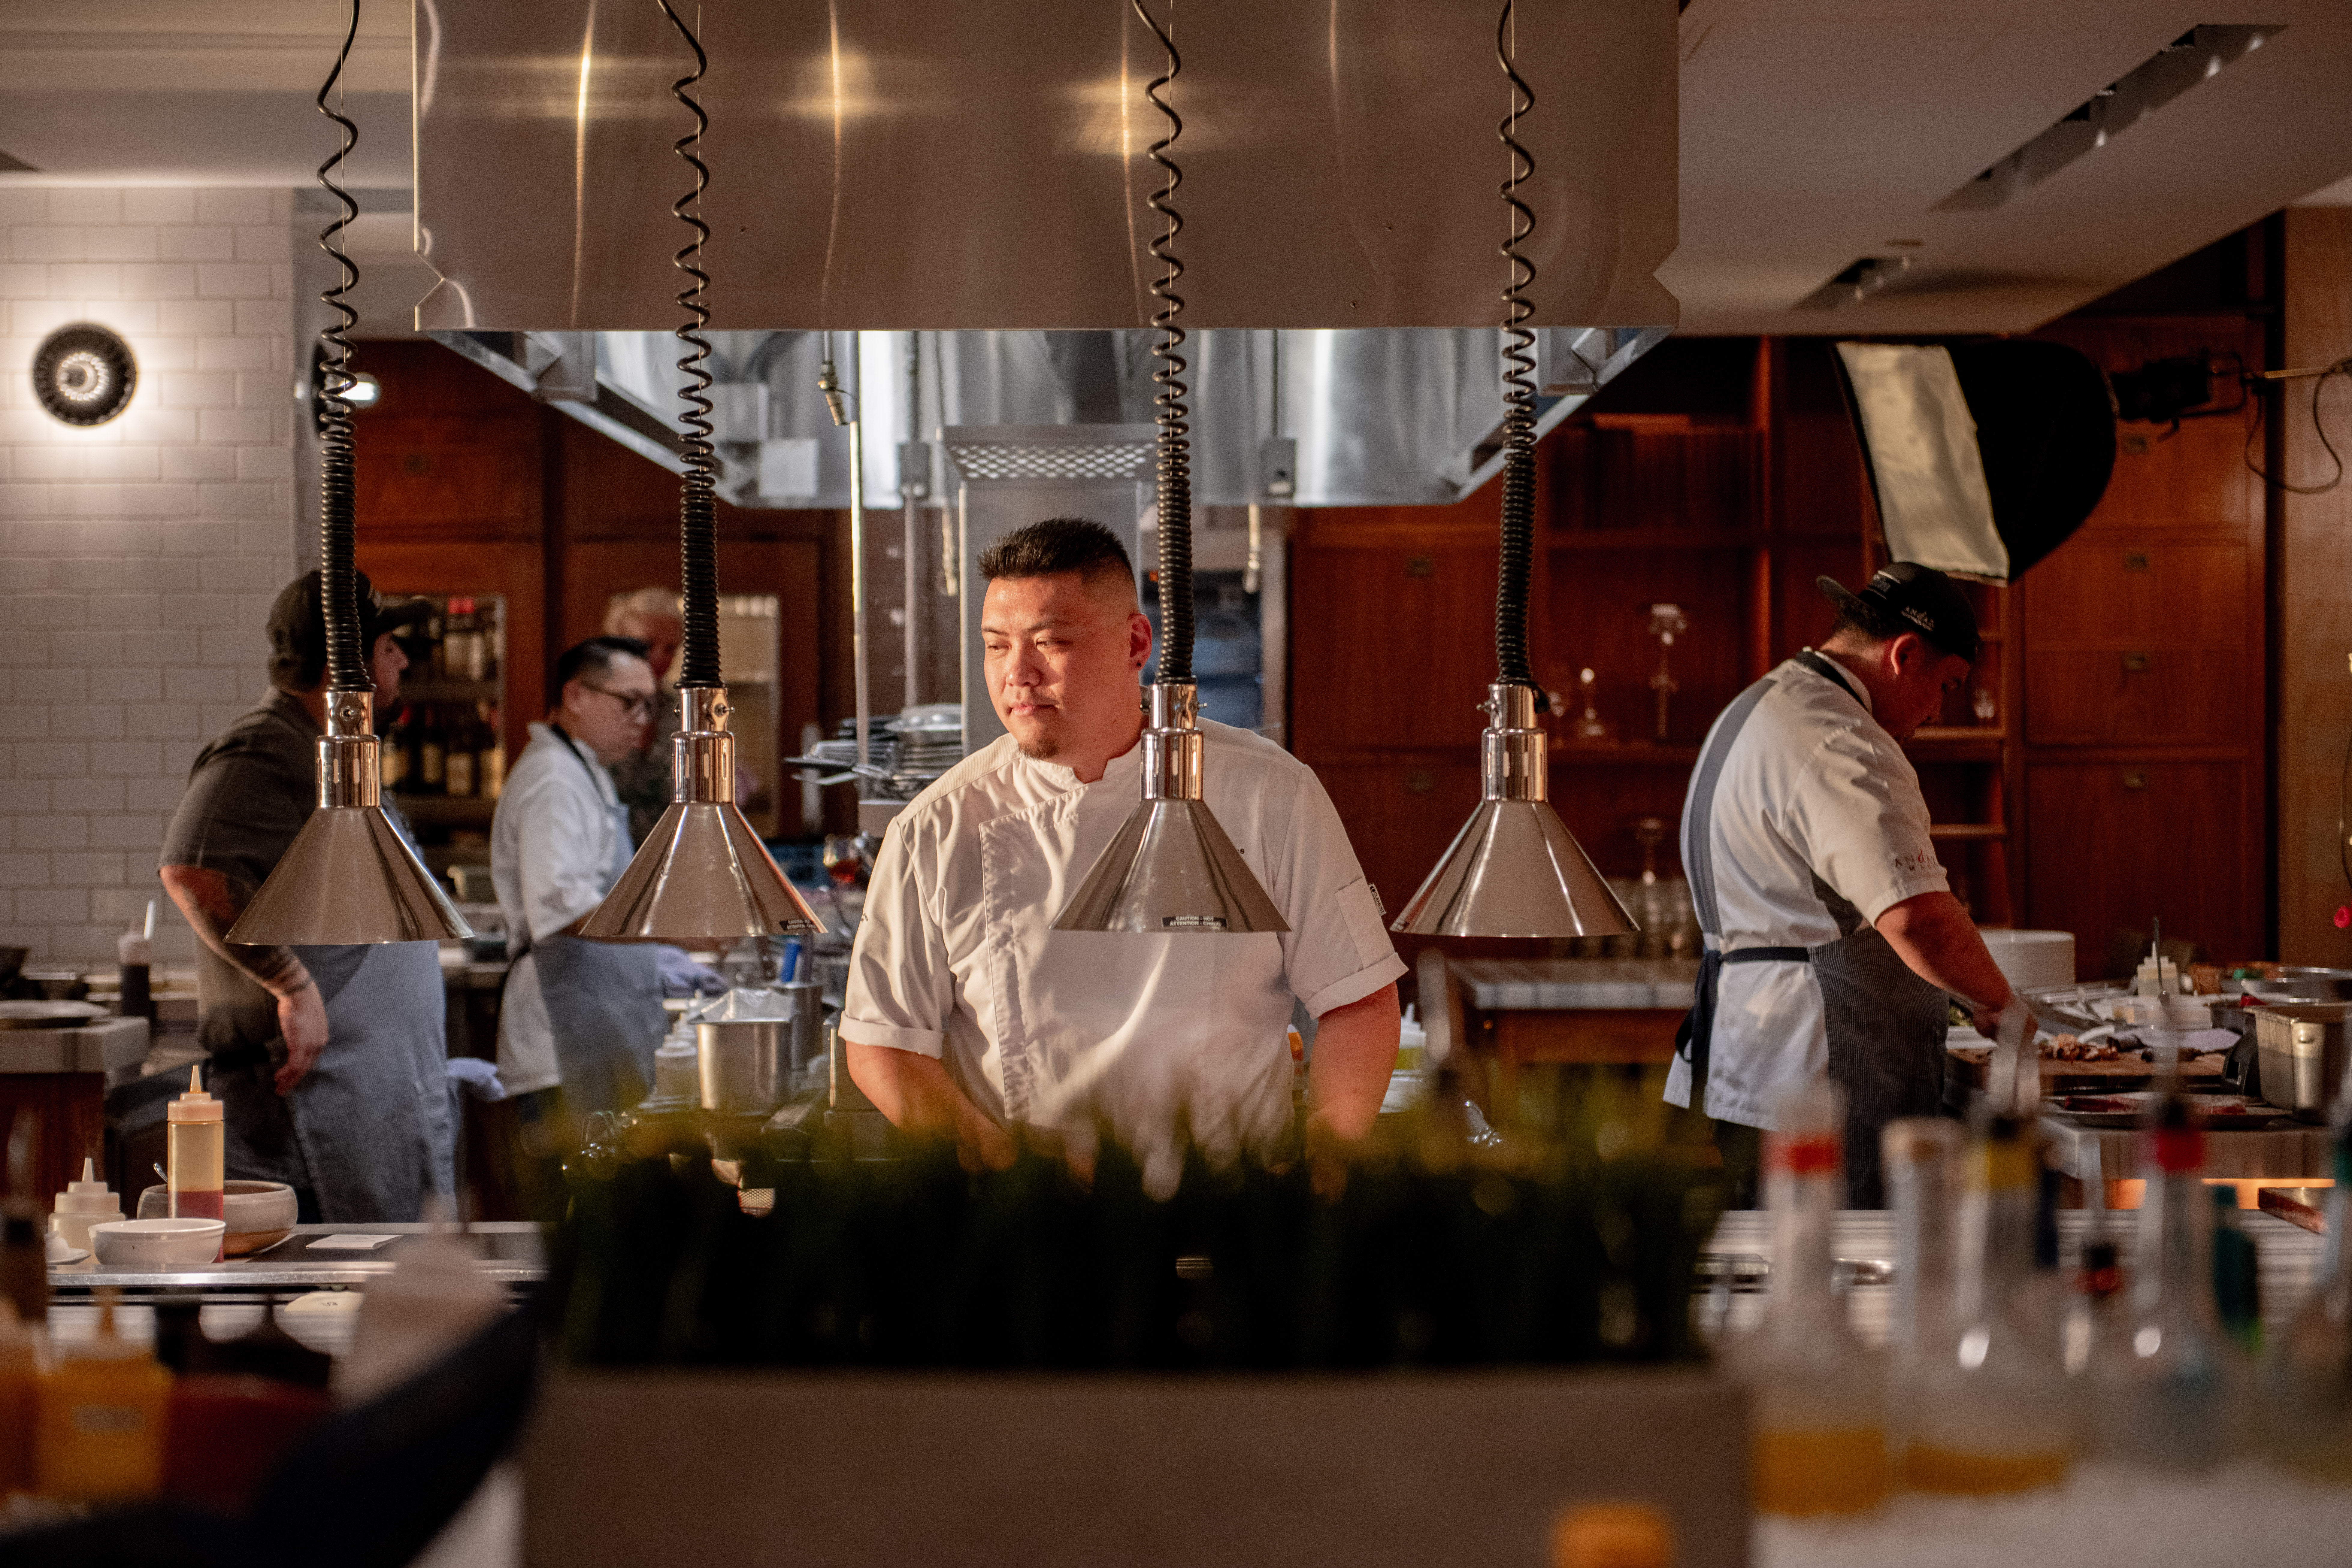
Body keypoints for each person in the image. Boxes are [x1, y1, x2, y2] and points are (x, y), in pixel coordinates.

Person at [840, 517, 1405, 1188]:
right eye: (996, 646)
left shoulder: (1271, 793)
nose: (1016, 674)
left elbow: (1358, 1003)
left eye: (1049, 642)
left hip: (1234, 1209)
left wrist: (1321, 1172)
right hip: (1028, 1226)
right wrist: (1002, 1170)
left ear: (1136, 642)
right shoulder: (935, 827)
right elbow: (882, 1043)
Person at [1666, 563, 2030, 1209]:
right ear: (1904, 653)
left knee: (1788, 1272)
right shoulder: (1841, 738)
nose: (1938, 711)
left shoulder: (1762, 705)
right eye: (1944, 686)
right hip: (1822, 1073)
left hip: (1759, 1058)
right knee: (1847, 1274)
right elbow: (1919, 920)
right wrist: (2001, 1002)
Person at [159, 570, 456, 1223]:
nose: (402, 659)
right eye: (387, 646)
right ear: (346, 665)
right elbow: (193, 871)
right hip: (307, 1107)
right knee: (314, 1309)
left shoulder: (335, 755)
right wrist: (293, 987)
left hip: (367, 1098)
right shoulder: (265, 748)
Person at [490, 636, 672, 1125]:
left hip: (591, 1039)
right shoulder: (554, 777)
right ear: (575, 696)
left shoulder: (583, 769)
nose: (642, 719)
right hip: (559, 1043)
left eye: (650, 705)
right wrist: (673, 926)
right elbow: (562, 905)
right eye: (629, 703)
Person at [604, 588, 684, 844]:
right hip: (603, 868)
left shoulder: (680, 715)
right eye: (647, 645)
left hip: (669, 862)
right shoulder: (594, 710)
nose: (660, 657)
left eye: (670, 648)